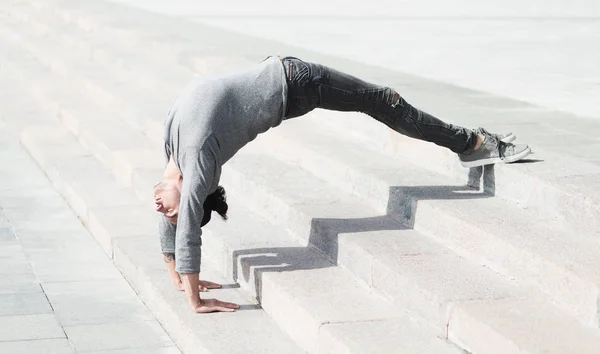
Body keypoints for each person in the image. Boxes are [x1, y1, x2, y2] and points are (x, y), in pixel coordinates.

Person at [153, 56, 531, 314]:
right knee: (385, 100)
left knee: (384, 100)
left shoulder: (180, 148)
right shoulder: (191, 161)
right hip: (293, 84)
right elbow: (184, 221)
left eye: (166, 209)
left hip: (291, 76)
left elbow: (182, 221)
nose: (158, 206)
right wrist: (189, 290)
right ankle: (472, 143)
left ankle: (470, 144)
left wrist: (179, 281)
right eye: (170, 209)